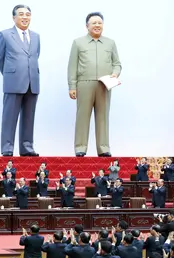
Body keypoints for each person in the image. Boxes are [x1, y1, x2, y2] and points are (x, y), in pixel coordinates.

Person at [67, 12, 121, 157]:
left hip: (104, 85)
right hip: (84, 84)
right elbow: (72, 66)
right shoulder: (78, 43)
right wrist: (72, 86)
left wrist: (115, 73)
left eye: (100, 23)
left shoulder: (110, 43)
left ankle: (103, 148)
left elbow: (117, 64)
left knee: (103, 116)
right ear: (87, 26)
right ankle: (80, 147)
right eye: (94, 23)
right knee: (82, 116)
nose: (97, 25)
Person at [0, 4, 40, 157]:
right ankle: (7, 148)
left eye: (28, 14)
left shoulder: (35, 36)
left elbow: (35, 56)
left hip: (32, 82)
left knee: (29, 117)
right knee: (9, 117)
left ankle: (27, 147)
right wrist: (10, 74)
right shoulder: (5, 35)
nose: (25, 17)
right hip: (13, 82)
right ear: (14, 17)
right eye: (21, 14)